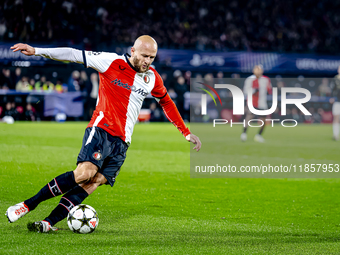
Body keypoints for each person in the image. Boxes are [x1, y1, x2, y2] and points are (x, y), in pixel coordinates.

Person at [6, 35, 201, 233]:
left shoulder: (152, 77)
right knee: (84, 173)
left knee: (94, 182)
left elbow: (166, 102)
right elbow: (73, 54)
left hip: (123, 142)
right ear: (133, 51)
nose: (147, 61)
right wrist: (37, 50)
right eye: (144, 56)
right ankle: (26, 205)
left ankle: (48, 222)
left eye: (152, 57)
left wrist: (185, 132)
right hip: (102, 130)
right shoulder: (110, 61)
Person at [240, 65, 272, 143]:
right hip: (252, 102)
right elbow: (245, 91)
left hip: (262, 102)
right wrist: (254, 90)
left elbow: (269, 90)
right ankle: (244, 133)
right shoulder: (249, 79)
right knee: (249, 117)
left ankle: (259, 135)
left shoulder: (266, 79)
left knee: (263, 120)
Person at [330, 66, 340, 140]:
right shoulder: (335, 79)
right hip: (337, 101)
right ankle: (335, 135)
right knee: (336, 118)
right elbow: (333, 89)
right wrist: (332, 97)